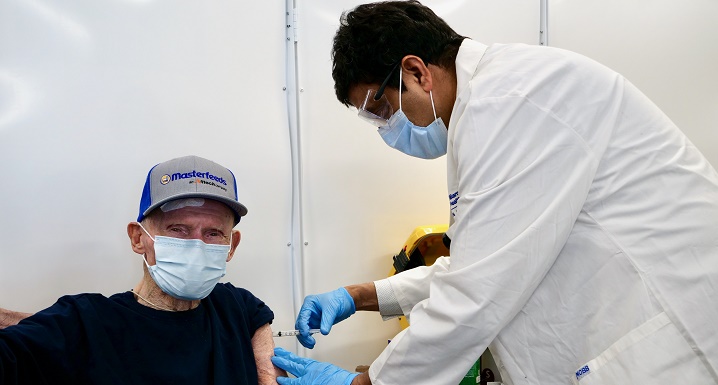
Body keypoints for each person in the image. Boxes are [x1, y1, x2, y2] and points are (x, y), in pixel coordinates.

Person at [270, 1, 718, 384]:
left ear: (416, 71)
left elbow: (475, 290)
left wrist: (368, 381)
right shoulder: (484, 110)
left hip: (673, 344)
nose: (387, 128)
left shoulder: (508, 101)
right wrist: (360, 295)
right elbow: (479, 263)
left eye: (382, 107)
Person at [0, 155, 285, 385]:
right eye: (178, 229)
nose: (197, 245)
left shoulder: (238, 309)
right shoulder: (83, 322)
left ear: (231, 245)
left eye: (213, 233)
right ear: (138, 238)